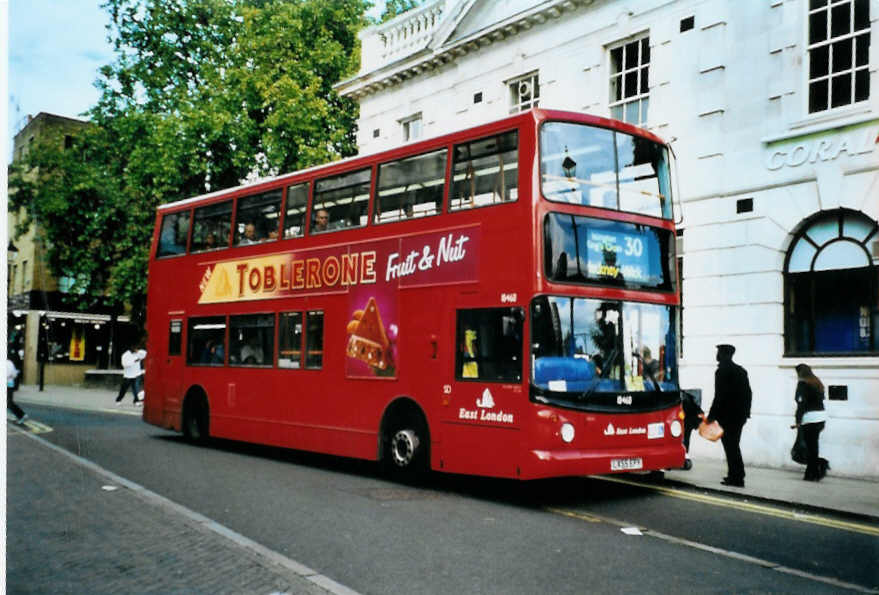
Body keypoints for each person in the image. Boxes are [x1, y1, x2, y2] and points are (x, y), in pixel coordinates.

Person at [706, 343, 752, 487]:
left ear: (724, 354)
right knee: (734, 446)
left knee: (731, 447)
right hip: (739, 417)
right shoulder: (741, 371)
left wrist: (711, 416)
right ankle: (736, 475)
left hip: (727, 417)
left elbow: (719, 396)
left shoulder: (721, 372)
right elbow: (748, 394)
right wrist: (746, 413)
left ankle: (736, 476)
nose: (716, 355)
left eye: (719, 352)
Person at [793, 363, 829, 481]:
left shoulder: (803, 384)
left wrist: (798, 421)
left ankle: (820, 465)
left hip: (809, 419)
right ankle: (812, 473)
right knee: (813, 446)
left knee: (809, 447)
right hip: (820, 418)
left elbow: (801, 405)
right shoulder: (817, 382)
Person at [7, 359, 27, 424]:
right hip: (9, 385)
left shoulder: (7, 363)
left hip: (7, 385)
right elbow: (14, 374)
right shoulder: (10, 363)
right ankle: (21, 415)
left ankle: (21, 415)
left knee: (9, 403)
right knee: (8, 402)